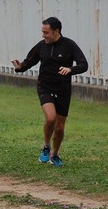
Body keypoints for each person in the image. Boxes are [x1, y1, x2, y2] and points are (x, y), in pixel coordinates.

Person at [11, 16, 88, 167]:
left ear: (56, 31)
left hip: (63, 90)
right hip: (45, 87)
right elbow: (29, 61)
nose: (43, 35)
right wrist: (20, 67)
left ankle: (55, 154)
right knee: (51, 118)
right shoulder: (41, 46)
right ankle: (46, 146)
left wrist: (70, 69)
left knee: (59, 128)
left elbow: (84, 64)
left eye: (46, 32)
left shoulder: (69, 45)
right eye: (42, 32)